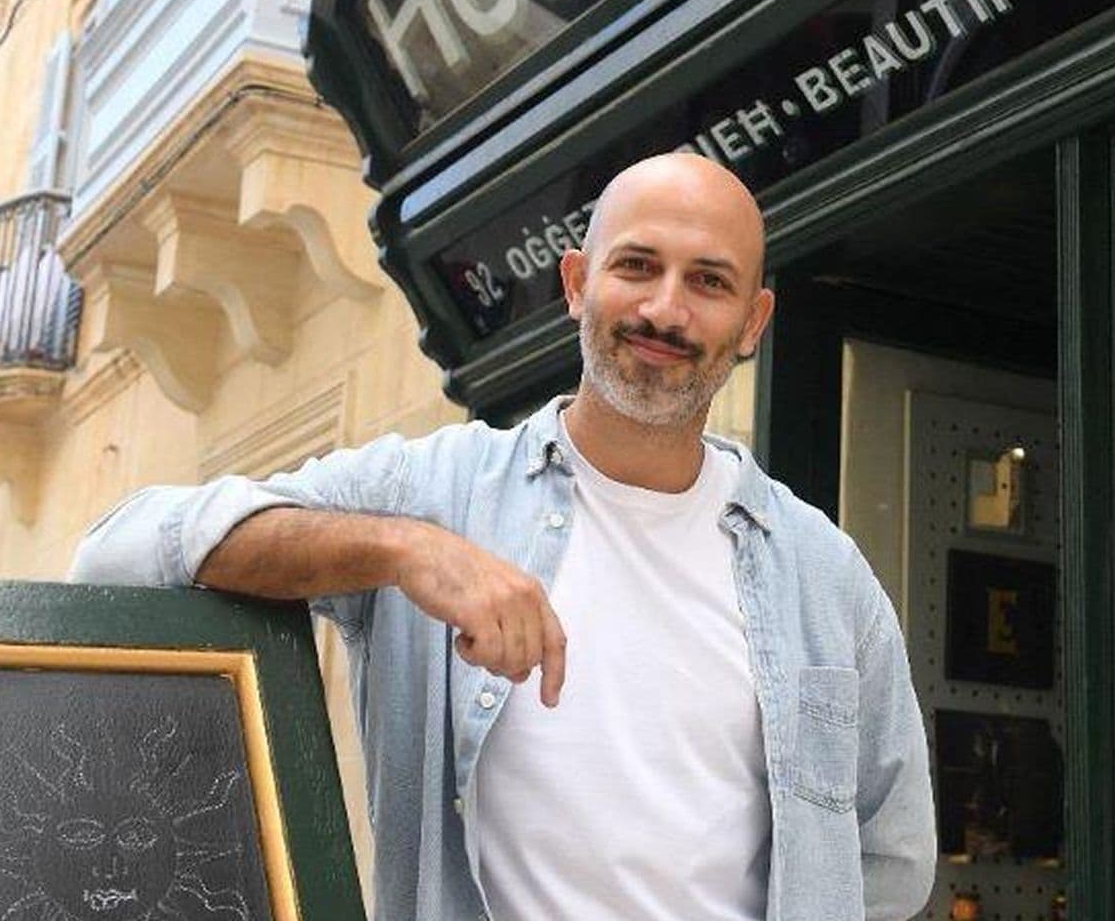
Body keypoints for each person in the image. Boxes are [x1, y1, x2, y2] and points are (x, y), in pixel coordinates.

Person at [69, 152, 936, 921]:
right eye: (637, 266)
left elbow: (890, 861)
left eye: (709, 282)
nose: (666, 309)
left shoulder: (825, 572)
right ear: (575, 284)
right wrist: (407, 551)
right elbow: (118, 551)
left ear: (752, 322)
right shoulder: (433, 492)